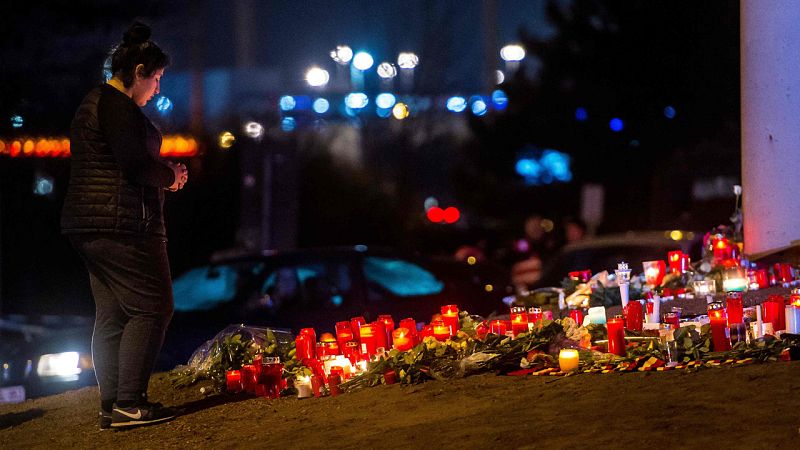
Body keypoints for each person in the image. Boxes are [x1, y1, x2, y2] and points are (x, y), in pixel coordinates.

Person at [61, 21, 187, 429]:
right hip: (121, 225)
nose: (157, 88)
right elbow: (133, 164)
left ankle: (113, 404)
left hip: (89, 223)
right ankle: (130, 403)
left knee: (114, 314)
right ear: (138, 73)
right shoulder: (116, 106)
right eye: (156, 78)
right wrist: (171, 177)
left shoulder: (93, 103)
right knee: (153, 307)